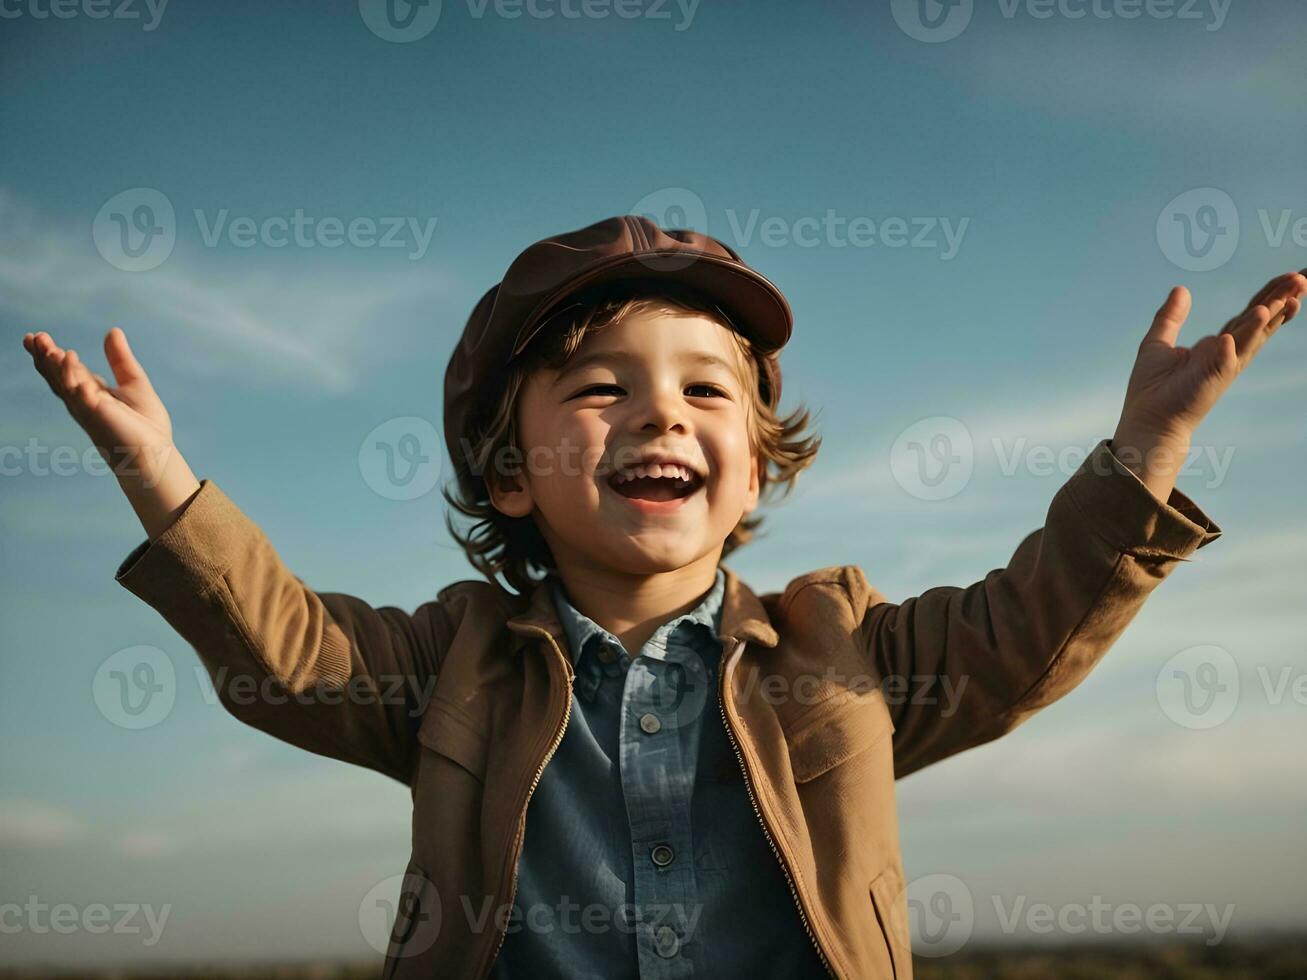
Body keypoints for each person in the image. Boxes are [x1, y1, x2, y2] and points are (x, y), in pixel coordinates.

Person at [21, 215, 1305, 978]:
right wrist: (165, 481)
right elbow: (289, 648)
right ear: (507, 474)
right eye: (596, 386)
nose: (658, 411)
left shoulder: (839, 645)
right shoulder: (452, 659)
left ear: (753, 461)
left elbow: (1025, 626)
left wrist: (1142, 453)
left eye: (705, 389)